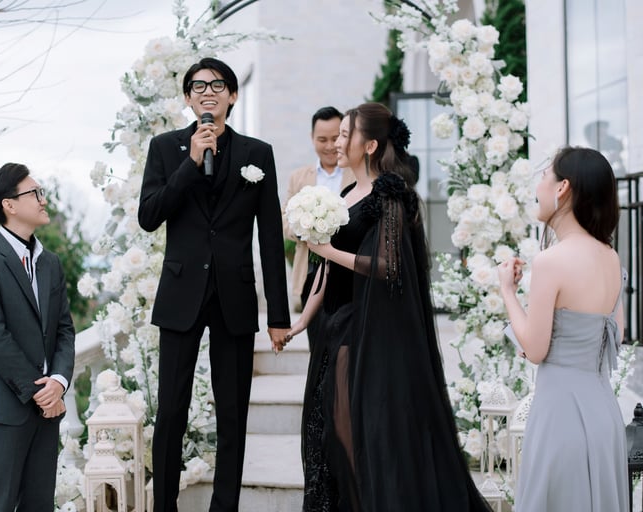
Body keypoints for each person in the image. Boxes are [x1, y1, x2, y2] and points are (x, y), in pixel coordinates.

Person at [285, 102, 491, 511]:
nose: (338, 143)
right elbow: (326, 270)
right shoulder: (346, 194)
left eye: (347, 135)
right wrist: (302, 321)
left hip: (369, 330)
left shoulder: (390, 195)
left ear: (371, 145)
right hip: (335, 327)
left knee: (360, 431)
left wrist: (328, 250)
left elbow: (388, 265)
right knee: (335, 429)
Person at [138, 57, 291, 512]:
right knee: (171, 412)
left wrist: (278, 315)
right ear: (188, 98)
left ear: (233, 95)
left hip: (234, 296)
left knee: (233, 415)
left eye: (218, 84)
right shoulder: (165, 148)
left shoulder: (257, 153)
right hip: (181, 294)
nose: (208, 91)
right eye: (199, 86)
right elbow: (149, 216)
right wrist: (190, 162)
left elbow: (270, 236)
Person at [497, 146, 628, 511]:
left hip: (561, 416)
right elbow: (614, 336)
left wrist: (507, 292)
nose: (538, 185)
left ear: (562, 188)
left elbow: (536, 350)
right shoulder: (611, 257)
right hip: (604, 415)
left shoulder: (551, 260)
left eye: (544, 175)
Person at [0, 163, 76, 511]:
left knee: (39, 504)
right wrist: (40, 392)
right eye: (35, 193)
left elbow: (64, 330)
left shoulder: (51, 263)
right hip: (6, 406)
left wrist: (58, 382)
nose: (43, 200)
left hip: (48, 408)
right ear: (9, 205)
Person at [282, 106, 355, 311]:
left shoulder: (357, 174)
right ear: (312, 137)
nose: (330, 146)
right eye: (322, 140)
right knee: (314, 328)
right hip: (310, 268)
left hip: (347, 269)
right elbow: (284, 219)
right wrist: (307, 229)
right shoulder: (298, 177)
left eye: (335, 138)